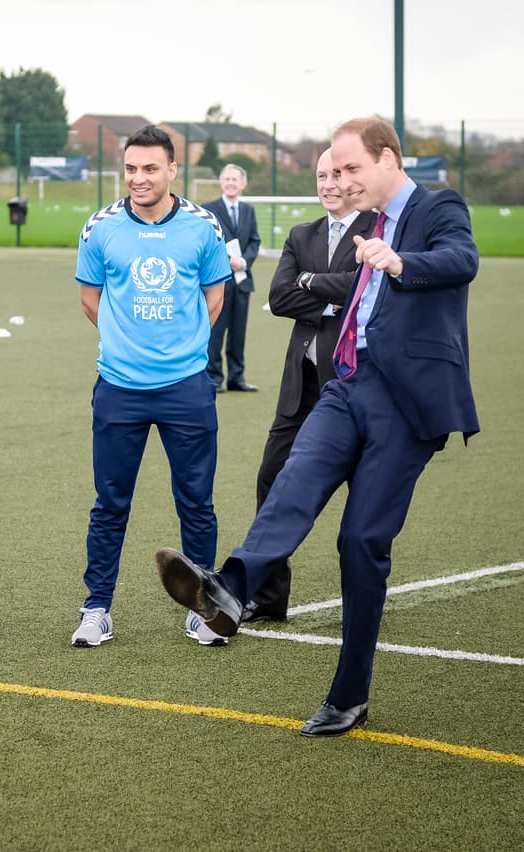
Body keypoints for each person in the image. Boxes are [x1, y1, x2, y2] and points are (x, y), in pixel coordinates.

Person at [157, 116, 480, 736]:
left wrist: (399, 261)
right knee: (292, 482)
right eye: (336, 169)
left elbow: (460, 259)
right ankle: (228, 589)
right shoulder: (361, 226)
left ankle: (349, 694)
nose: (344, 180)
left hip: (407, 402)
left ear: (389, 159)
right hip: (346, 385)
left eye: (354, 168)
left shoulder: (438, 208)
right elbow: (297, 292)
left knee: (360, 543)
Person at [71, 124, 229, 648]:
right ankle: (96, 610)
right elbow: (91, 299)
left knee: (196, 501)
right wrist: (129, 345)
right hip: (119, 387)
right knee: (110, 503)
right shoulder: (101, 227)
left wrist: (179, 351)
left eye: (150, 169)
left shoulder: (203, 227)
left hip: (186, 387)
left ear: (172, 170)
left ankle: (204, 608)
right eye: (132, 169)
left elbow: (214, 297)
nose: (139, 178)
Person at [238, 149, 377, 624]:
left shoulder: (379, 230)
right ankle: (269, 598)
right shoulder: (302, 234)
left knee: (365, 496)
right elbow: (279, 297)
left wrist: (311, 281)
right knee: (270, 478)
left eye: (337, 174)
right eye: (321, 175)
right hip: (302, 387)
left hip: (355, 386)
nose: (329, 183)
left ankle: (364, 599)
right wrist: (332, 298)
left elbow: (365, 286)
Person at [203, 164, 261, 392]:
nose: (230, 183)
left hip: (242, 281)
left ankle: (237, 378)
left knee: (238, 332)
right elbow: (207, 241)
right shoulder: (208, 210)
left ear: (243, 183)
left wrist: (243, 261)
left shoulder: (249, 211)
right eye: (226, 179)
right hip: (218, 281)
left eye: (235, 179)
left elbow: (254, 240)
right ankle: (214, 378)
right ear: (221, 182)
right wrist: (227, 260)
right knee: (216, 331)